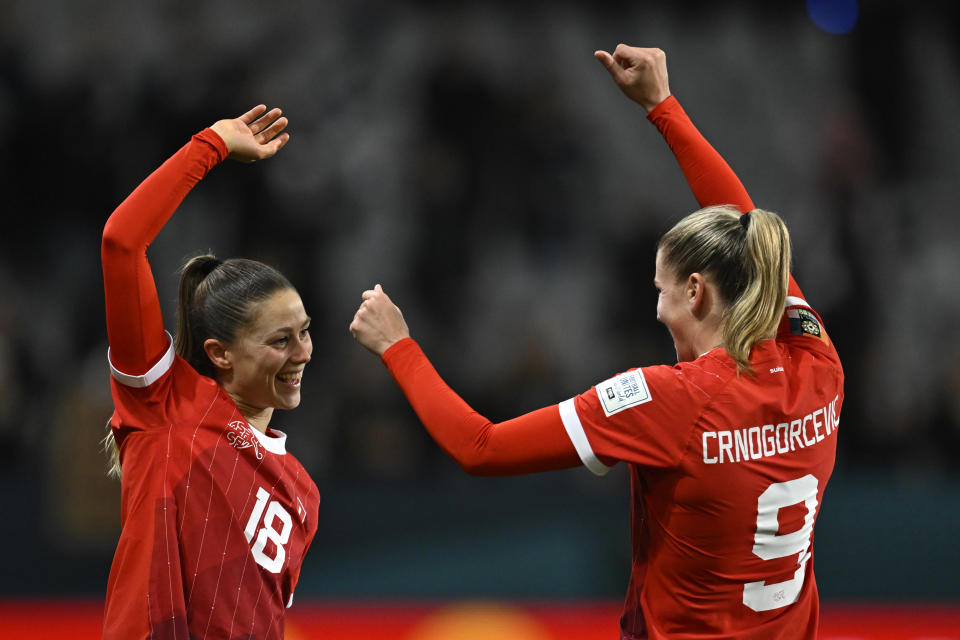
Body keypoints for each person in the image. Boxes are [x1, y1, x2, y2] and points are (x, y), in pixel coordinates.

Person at [350, 45, 843, 639]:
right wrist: (662, 106)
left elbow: (479, 446)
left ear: (693, 291)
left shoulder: (669, 400)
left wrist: (397, 346)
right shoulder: (816, 362)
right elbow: (743, 224)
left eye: (658, 288)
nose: (654, 306)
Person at [100, 105, 320, 639]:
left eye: (305, 332)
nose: (302, 353)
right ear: (221, 353)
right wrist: (213, 143)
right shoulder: (165, 402)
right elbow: (121, 243)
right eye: (280, 340)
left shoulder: (302, 495)